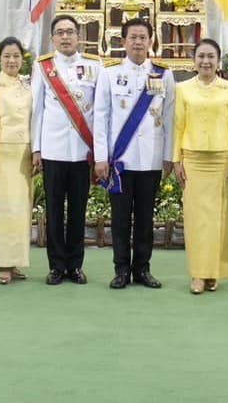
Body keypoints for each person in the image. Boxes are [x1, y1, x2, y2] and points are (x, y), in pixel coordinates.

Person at [92, 18, 174, 289]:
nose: (138, 42)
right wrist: (101, 157)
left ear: (151, 41)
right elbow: (101, 117)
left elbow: (170, 117)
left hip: (151, 157)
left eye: (143, 37)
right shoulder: (110, 73)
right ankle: (121, 270)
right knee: (120, 218)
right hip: (121, 161)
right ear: (124, 41)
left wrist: (169, 155)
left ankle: (143, 269)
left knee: (145, 218)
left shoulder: (164, 74)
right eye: (133, 37)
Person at [32, 15, 104, 286]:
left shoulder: (94, 67)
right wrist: (36, 148)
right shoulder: (43, 67)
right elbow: (36, 110)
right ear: (52, 38)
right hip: (53, 150)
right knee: (54, 211)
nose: (65, 37)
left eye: (70, 32)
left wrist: (99, 151)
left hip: (81, 151)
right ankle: (56, 265)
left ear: (78, 36)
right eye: (60, 33)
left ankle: (75, 265)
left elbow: (100, 112)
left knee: (77, 210)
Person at [174, 39, 228, 295]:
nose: (206, 61)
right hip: (193, 159)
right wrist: (176, 160)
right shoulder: (182, 89)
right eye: (201, 56)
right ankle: (197, 274)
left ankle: (214, 272)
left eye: (211, 56)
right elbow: (178, 126)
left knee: (220, 220)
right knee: (196, 220)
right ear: (194, 61)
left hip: (222, 160)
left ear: (218, 61)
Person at [0, 37, 35, 285]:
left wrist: (37, 152)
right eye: (7, 56)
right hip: (1, 153)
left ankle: (15, 262)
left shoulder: (27, 85)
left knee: (20, 211)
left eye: (16, 56)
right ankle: (2, 264)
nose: (12, 60)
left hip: (24, 155)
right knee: (2, 210)